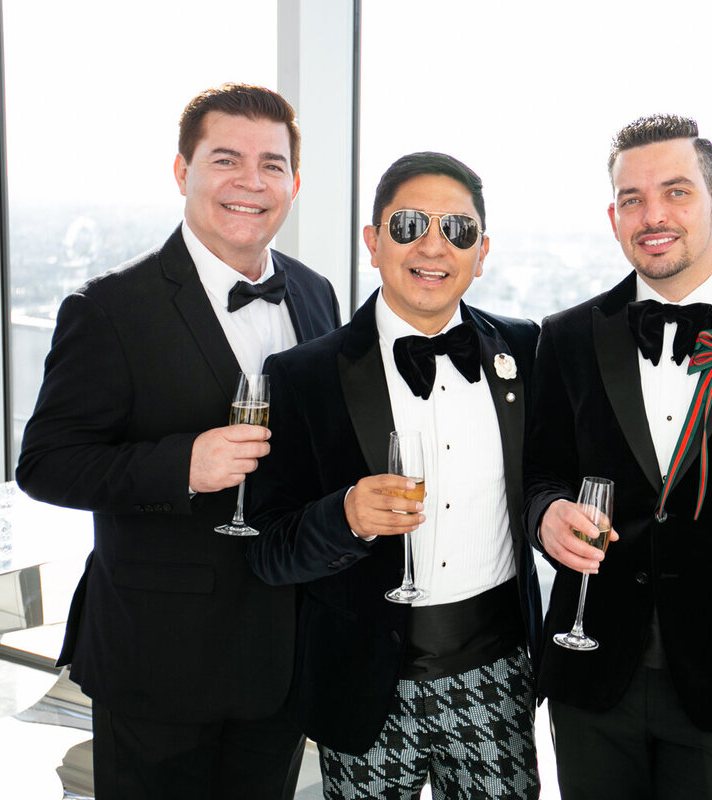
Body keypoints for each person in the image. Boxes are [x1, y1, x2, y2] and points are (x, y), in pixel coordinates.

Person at [15, 83, 341, 799]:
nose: (251, 183)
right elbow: (44, 465)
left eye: (272, 165)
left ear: (294, 182)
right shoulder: (108, 309)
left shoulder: (316, 294)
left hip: (282, 657)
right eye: (226, 159)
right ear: (181, 171)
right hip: (156, 659)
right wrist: (182, 466)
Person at [524, 113, 712, 799]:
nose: (652, 215)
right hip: (590, 672)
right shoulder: (567, 336)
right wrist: (546, 514)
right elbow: (540, 474)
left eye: (676, 192)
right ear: (613, 216)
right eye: (632, 199)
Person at [244, 151, 542, 800]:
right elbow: (266, 549)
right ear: (374, 241)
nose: (434, 245)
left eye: (457, 230)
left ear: (481, 251)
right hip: (361, 683)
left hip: (496, 676)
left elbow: (549, 484)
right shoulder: (301, 377)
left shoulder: (525, 351)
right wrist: (343, 516)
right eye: (409, 225)